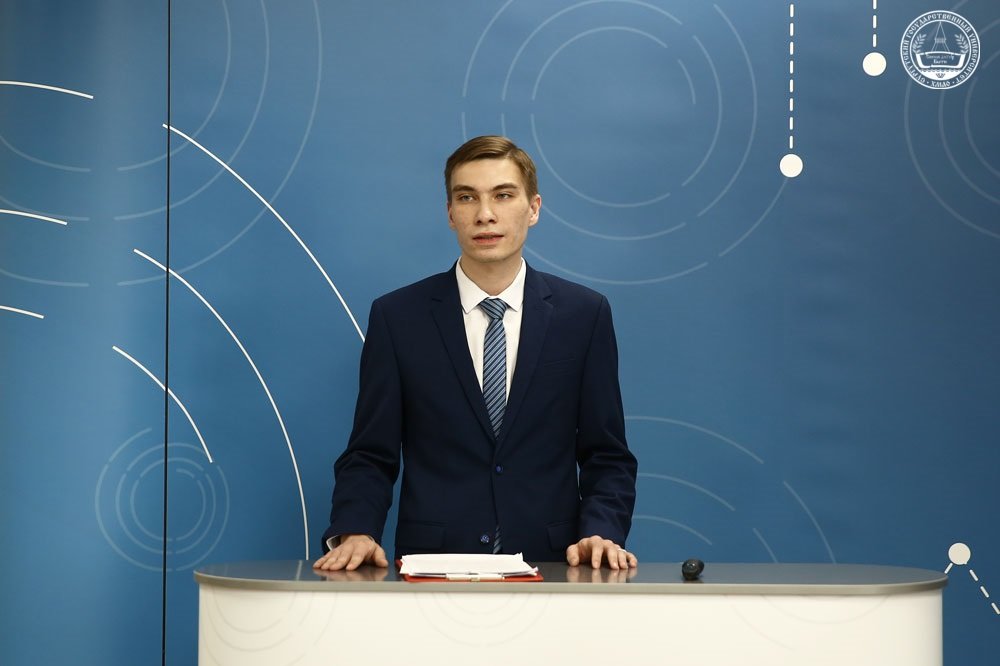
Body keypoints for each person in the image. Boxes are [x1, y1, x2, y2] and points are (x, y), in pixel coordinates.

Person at [313, 136, 637, 572]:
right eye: (467, 197)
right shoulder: (398, 317)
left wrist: (601, 530)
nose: (485, 214)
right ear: (451, 213)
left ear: (534, 208)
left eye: (503, 195)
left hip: (552, 566)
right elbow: (371, 453)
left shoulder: (583, 315)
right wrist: (356, 530)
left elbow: (606, 454)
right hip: (433, 566)